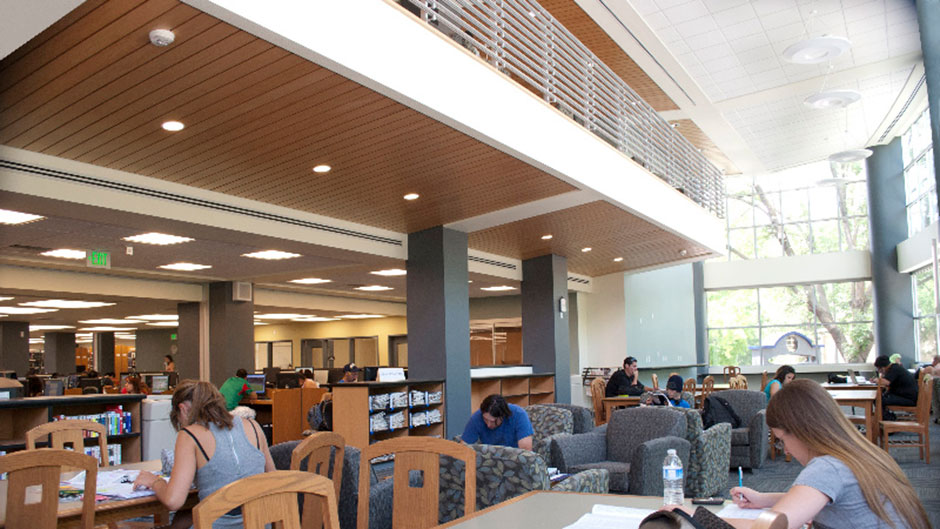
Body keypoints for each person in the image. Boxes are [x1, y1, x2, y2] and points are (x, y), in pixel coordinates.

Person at [727, 379, 929, 529]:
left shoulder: (827, 467)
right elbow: (821, 496)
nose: (785, 450)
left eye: (782, 440)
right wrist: (763, 499)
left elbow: (769, 527)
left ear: (801, 432)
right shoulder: (861, 453)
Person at [133, 380, 275, 529]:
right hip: (259, 522)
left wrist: (155, 482)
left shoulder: (189, 434)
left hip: (217, 524)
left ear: (183, 409)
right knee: (183, 519)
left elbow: (173, 501)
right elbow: (273, 478)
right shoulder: (253, 426)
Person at [461, 394, 533, 450]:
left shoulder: (519, 415)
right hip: (491, 459)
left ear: (503, 416)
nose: (488, 425)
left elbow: (526, 451)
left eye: (493, 421)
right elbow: (463, 446)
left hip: (515, 458)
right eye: (485, 420)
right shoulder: (476, 418)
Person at [874, 354, 917, 419]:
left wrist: (876, 380)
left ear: (882, 368)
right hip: (908, 396)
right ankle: (885, 417)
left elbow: (886, 382)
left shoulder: (894, 369)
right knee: (881, 397)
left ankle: (888, 418)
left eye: (878, 369)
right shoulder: (895, 367)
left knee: (878, 400)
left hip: (909, 399)